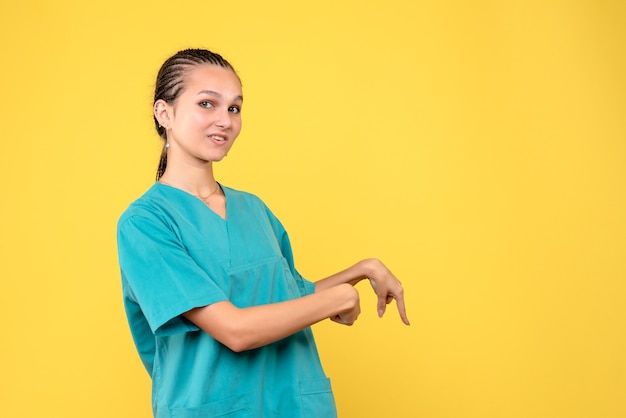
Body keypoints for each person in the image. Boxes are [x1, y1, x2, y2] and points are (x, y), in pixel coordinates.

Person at [117, 48, 410, 418]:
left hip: (292, 404)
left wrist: (362, 270)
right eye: (207, 103)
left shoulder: (253, 209)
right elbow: (235, 330)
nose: (224, 120)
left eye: (234, 108)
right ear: (165, 113)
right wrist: (338, 300)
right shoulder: (146, 223)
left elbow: (288, 300)